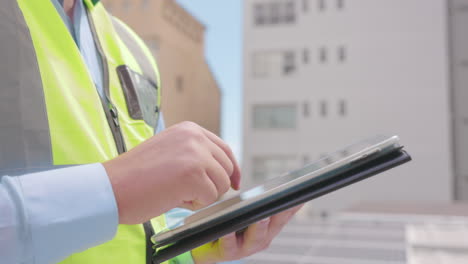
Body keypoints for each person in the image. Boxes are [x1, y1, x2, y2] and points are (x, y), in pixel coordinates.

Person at [0, 0, 302, 263]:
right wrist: (114, 190)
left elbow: (147, 228)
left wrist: (190, 248)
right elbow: (124, 195)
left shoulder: (133, 49)